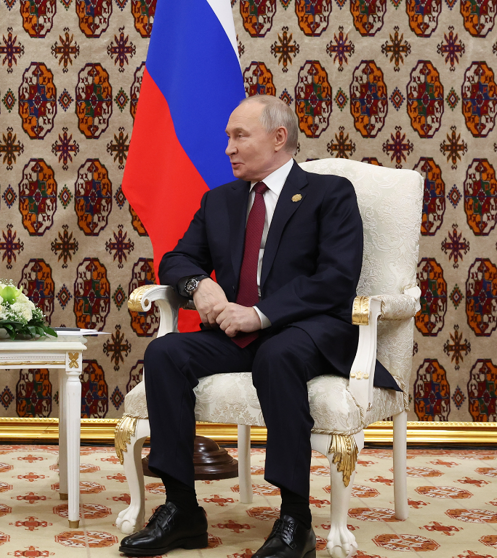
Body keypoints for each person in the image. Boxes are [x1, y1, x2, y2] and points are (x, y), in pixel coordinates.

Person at [118, 95, 399, 558]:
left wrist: (260, 313)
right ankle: (181, 509)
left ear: (278, 138)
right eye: (228, 137)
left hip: (309, 332)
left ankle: (295, 520)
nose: (228, 147)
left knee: (278, 353)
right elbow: (177, 258)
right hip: (236, 335)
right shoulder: (220, 201)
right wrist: (198, 286)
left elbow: (335, 280)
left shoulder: (330, 194)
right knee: (165, 353)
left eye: (239, 136)